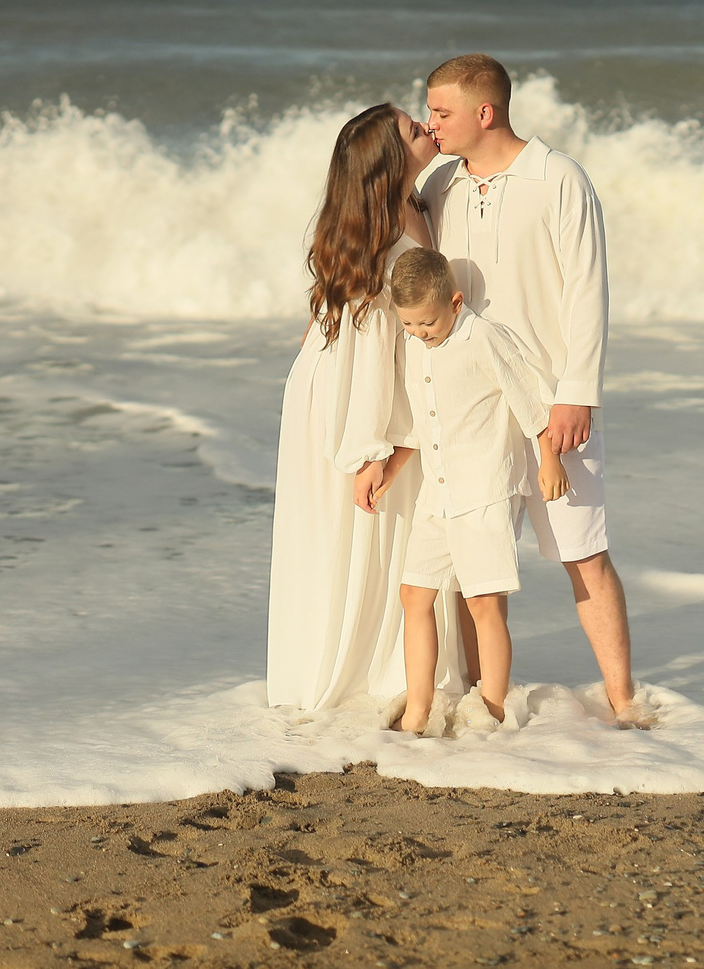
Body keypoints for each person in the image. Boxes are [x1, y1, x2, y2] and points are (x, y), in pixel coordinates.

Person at [419, 53, 648, 727]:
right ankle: (481, 703)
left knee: (584, 552)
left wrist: (577, 394)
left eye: (441, 112)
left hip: (552, 403)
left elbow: (588, 291)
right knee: (474, 564)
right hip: (472, 411)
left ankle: (625, 700)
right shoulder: (439, 185)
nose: (431, 124)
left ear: (484, 112)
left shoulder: (559, 178)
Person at [265, 102, 454, 711]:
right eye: (410, 128)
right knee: (364, 523)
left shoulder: (419, 205)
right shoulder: (385, 241)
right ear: (388, 162)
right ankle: (361, 679)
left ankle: (392, 671)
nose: (425, 126)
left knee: (383, 533)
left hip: (353, 387)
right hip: (351, 401)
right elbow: (372, 353)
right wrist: (381, 448)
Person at [353, 248, 567, 734]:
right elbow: (416, 425)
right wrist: (385, 471)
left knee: (483, 604)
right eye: (409, 325)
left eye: (427, 323)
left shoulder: (482, 338)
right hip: (439, 492)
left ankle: (491, 711)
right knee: (413, 594)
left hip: (484, 491)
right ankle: (417, 711)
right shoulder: (416, 347)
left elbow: (527, 398)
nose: (419, 334)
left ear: (455, 301)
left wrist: (549, 458)